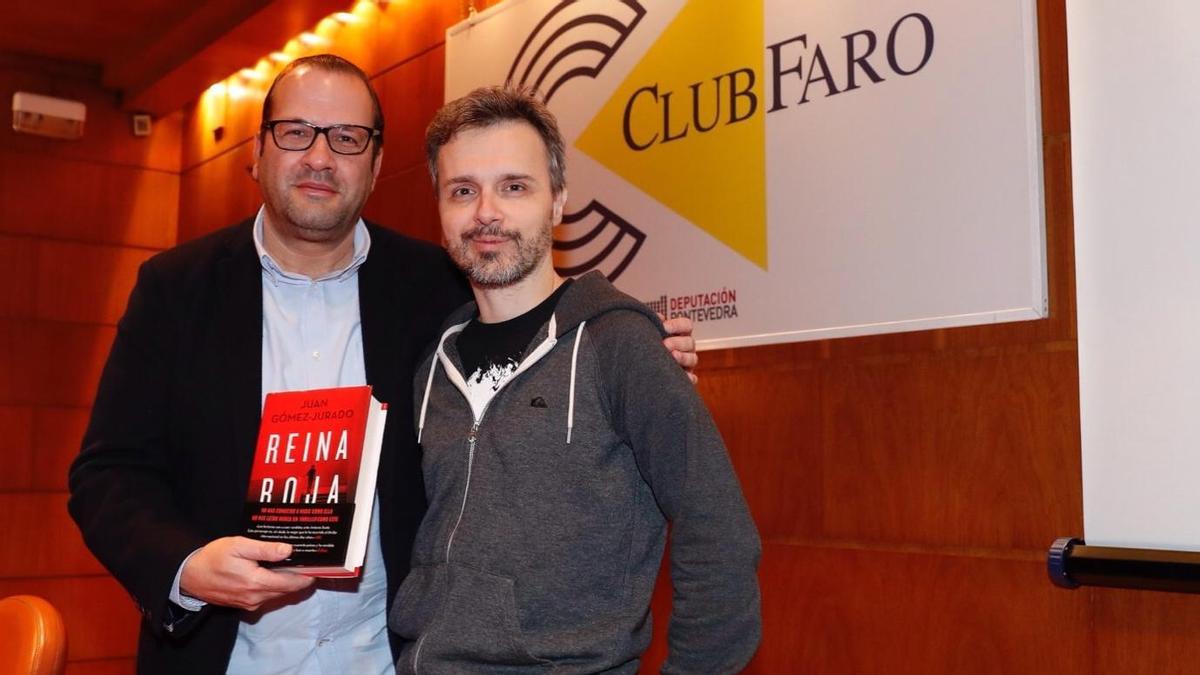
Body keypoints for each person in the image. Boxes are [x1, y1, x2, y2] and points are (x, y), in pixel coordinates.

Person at [67, 55, 697, 675]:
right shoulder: (174, 289)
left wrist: (635, 352)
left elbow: (543, 347)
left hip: (390, 657)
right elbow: (109, 473)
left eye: (346, 138)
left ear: (373, 166)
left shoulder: (443, 288)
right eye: (296, 132)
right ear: (257, 152)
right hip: (221, 656)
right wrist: (185, 566)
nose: (319, 156)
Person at [391, 86, 761, 673]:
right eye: (463, 190)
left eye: (515, 186)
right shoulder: (434, 362)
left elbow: (719, 533)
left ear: (558, 202)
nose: (487, 211)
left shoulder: (618, 344)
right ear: (440, 210)